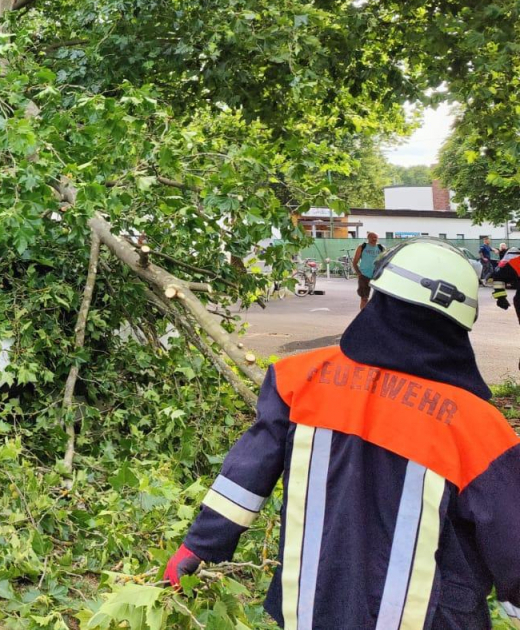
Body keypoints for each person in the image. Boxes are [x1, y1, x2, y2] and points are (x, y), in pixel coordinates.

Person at [165, 238, 520, 629]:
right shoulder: (480, 428)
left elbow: (246, 475)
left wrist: (200, 545)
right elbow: (511, 539)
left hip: (310, 609)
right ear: (459, 324)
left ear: (380, 295)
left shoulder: (298, 380)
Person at [351, 231, 385, 310]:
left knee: (379, 299)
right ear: (368, 238)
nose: (374, 239)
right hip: (364, 275)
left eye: (376, 237)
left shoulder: (381, 248)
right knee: (364, 298)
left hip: (377, 275)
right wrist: (359, 274)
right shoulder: (362, 247)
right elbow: (355, 262)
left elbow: (385, 261)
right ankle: (363, 314)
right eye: (372, 237)